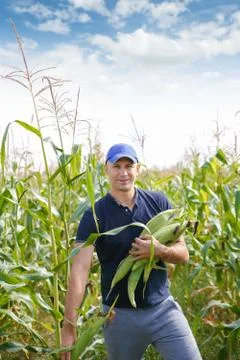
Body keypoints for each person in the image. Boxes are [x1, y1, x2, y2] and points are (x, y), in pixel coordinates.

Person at [61, 143, 202, 360]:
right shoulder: (95, 214)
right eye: (117, 166)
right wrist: (69, 325)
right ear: (106, 169)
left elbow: (183, 254)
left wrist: (160, 250)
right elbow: (80, 271)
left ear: (138, 168)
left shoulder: (159, 203)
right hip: (119, 316)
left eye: (129, 165)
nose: (123, 172)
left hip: (163, 310)